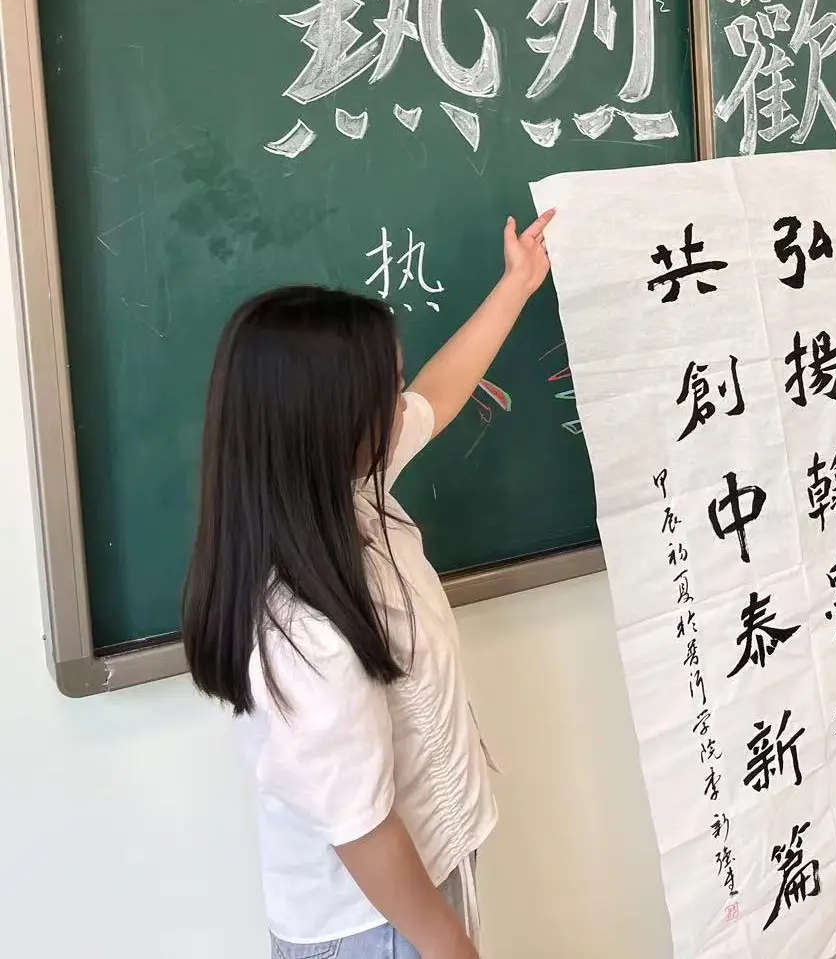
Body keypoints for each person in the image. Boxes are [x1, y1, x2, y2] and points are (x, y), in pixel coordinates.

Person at [181, 210, 557, 959]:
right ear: (330, 422)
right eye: (387, 391)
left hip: (422, 877)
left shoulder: (342, 491)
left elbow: (440, 395)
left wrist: (516, 285)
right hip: (376, 925)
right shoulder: (300, 625)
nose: (402, 404)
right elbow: (362, 828)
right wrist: (450, 946)